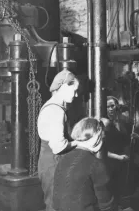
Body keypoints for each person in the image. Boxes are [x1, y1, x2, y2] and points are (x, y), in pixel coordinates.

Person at [53, 117, 117, 211]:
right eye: (102, 138)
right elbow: (106, 204)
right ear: (97, 138)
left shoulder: (63, 158)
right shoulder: (96, 164)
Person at [37, 69, 80, 211]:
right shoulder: (56, 111)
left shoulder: (55, 107)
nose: (76, 94)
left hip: (52, 162)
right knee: (56, 206)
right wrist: (80, 143)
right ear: (63, 86)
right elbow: (58, 147)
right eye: (74, 90)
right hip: (53, 164)